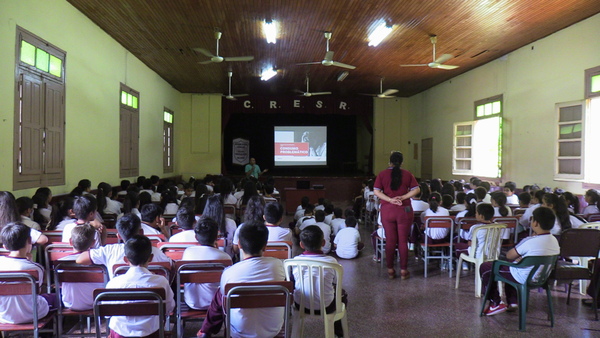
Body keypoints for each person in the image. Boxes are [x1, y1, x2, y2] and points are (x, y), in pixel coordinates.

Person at [197, 222, 285, 338]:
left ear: (239, 245)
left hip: (239, 332)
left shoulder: (229, 272)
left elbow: (221, 306)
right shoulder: (278, 266)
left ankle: (206, 330)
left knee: (220, 296)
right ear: (265, 246)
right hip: (273, 330)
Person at [480, 207, 559, 315]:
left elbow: (510, 255)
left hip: (523, 276)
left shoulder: (530, 241)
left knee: (486, 267)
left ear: (535, 223)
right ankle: (512, 302)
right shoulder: (554, 240)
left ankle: (495, 303)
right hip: (541, 277)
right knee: (513, 265)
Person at [105, 235, 175, 337]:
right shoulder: (161, 282)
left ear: (125, 259)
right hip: (151, 333)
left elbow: (107, 313)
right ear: (151, 258)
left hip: (120, 334)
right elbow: (169, 308)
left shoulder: (113, 283)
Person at [76, 213, 171, 279]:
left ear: (118, 235)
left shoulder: (109, 251)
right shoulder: (156, 252)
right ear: (141, 232)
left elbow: (80, 259)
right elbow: (171, 268)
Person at [293, 225, 347, 337]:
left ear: (301, 245)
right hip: (327, 306)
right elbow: (335, 282)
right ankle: (338, 332)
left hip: (300, 304)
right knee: (342, 294)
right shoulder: (332, 261)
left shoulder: (294, 261)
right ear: (323, 242)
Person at [373, 151, 420, 280]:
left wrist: (390, 200)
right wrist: (403, 197)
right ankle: (404, 270)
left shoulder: (382, 174)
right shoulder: (407, 174)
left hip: (388, 210)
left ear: (390, 162)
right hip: (404, 210)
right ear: (402, 162)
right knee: (403, 241)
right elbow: (416, 189)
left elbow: (376, 191)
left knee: (390, 241)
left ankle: (390, 270)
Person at [0, 222, 56, 324]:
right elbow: (37, 292)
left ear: (5, 246)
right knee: (56, 298)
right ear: (30, 240)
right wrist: (30, 262)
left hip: (3, 315)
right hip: (33, 314)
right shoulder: (35, 268)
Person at [181, 218, 232, 310]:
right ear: (217, 237)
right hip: (216, 303)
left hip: (191, 302)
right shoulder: (225, 257)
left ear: (196, 237)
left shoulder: (188, 252)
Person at [57, 223, 105, 311]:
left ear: (70, 242)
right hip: (95, 301)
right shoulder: (99, 264)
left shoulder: (61, 263)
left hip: (69, 303)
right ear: (93, 243)